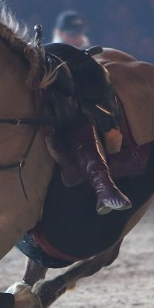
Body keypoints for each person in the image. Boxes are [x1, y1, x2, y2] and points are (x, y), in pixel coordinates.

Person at [42, 11, 130, 214]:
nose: (75, 37)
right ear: (59, 32)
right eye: (70, 32)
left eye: (77, 32)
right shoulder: (49, 56)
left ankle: (104, 177)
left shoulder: (87, 57)